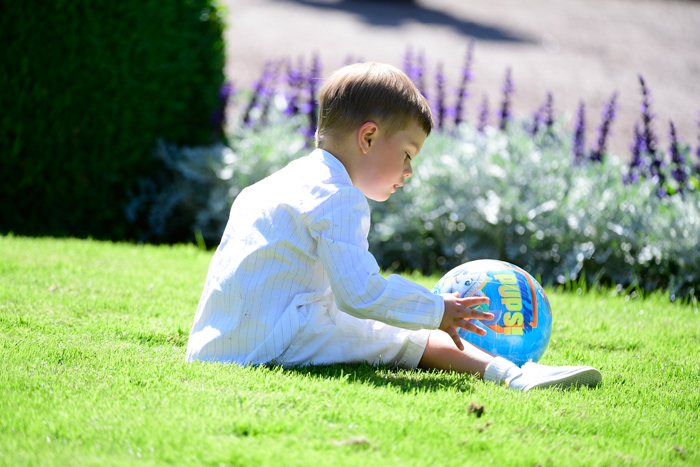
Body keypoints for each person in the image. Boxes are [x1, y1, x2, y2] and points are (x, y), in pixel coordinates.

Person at [185, 62, 601, 391]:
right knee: (401, 335)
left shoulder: (273, 184)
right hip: (271, 344)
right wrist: (437, 310)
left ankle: (509, 368)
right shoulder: (339, 197)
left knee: (390, 327)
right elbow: (360, 295)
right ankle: (514, 375)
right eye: (406, 154)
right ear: (368, 138)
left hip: (215, 345)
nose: (409, 170)